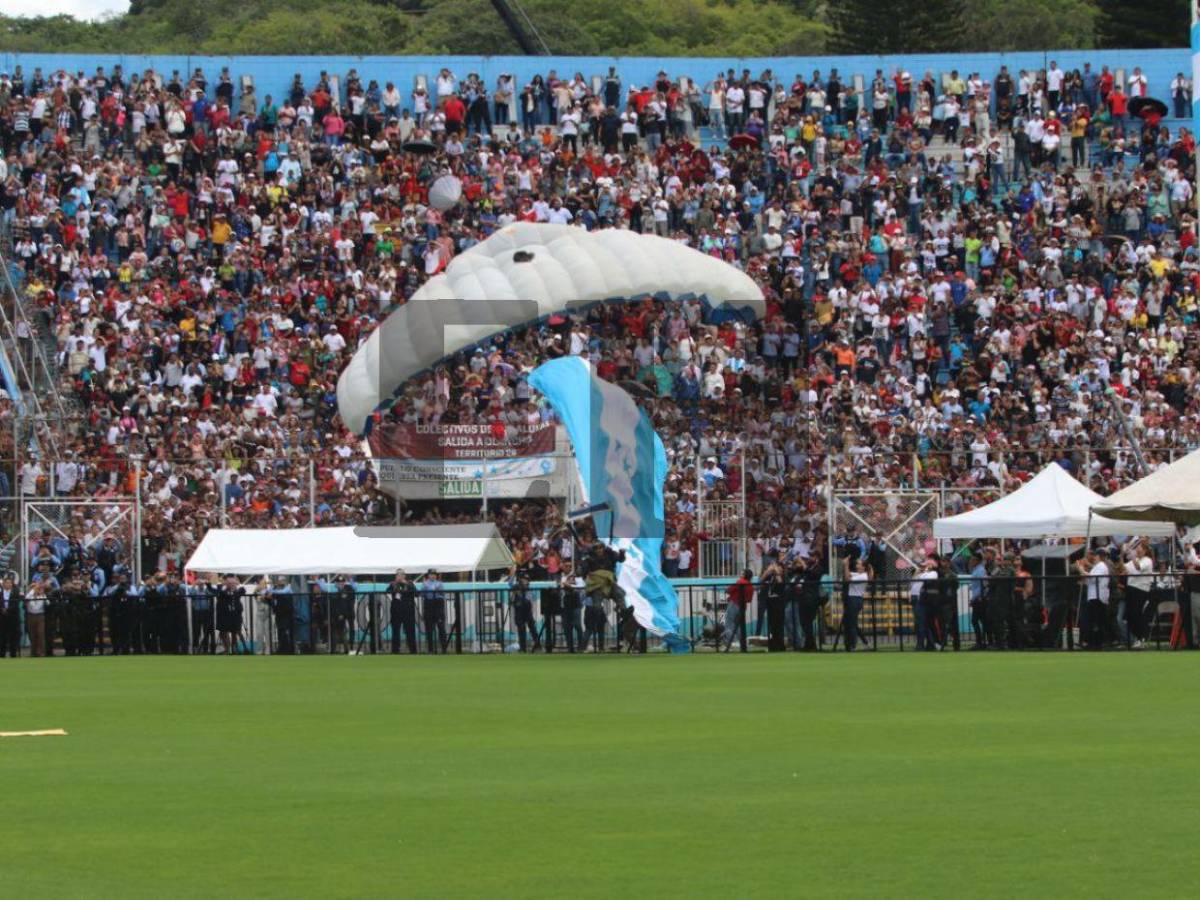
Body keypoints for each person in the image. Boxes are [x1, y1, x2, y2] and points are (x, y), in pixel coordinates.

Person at [1076, 549, 1110, 650]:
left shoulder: (1101, 566)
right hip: (1093, 596)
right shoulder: (1097, 567)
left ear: (1099, 556)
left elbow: (1095, 578)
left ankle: (1097, 643)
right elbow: (1091, 580)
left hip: (1097, 597)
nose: (1093, 557)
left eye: (1095, 555)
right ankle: (1091, 641)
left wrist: (1081, 569)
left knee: (1096, 621)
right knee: (1092, 620)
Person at [509, 571, 541, 653]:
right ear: (520, 579)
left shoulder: (529, 589)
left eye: (527, 580)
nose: (526, 581)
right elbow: (510, 583)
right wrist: (513, 574)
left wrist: (520, 594)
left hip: (527, 611)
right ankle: (523, 648)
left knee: (532, 628)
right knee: (521, 629)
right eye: (524, 579)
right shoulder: (516, 587)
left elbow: (528, 599)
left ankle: (538, 645)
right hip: (519, 611)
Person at [387, 570, 418, 654]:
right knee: (395, 631)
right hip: (396, 611)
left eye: (401, 575)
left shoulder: (410, 584)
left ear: (404, 576)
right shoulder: (393, 584)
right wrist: (394, 584)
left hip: (408, 611)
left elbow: (417, 594)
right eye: (398, 575)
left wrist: (406, 583)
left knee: (410, 631)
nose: (399, 576)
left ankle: (413, 650)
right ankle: (395, 650)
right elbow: (387, 592)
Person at [843, 558, 870, 651]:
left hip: (855, 599)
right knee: (851, 622)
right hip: (852, 598)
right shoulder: (858, 574)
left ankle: (853, 645)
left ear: (863, 567)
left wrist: (846, 565)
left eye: (859, 564)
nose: (856, 565)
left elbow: (847, 579)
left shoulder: (863, 576)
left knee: (852, 623)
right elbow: (849, 574)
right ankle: (864, 641)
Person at [722, 568, 753, 652]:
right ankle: (742, 642)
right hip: (743, 606)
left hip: (734, 603)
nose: (740, 575)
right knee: (739, 625)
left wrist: (729, 591)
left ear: (745, 575)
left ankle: (732, 641)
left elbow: (729, 590)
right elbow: (749, 599)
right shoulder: (750, 585)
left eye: (742, 574)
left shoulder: (740, 582)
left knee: (729, 623)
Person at [215, 575, 246, 655]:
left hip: (235, 615)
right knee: (224, 632)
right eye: (229, 583)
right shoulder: (223, 591)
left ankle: (234, 649)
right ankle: (228, 649)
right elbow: (220, 592)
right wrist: (221, 584)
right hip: (225, 615)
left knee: (235, 632)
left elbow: (243, 590)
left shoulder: (237, 591)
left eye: (232, 583)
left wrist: (238, 584)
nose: (231, 584)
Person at [265, 578, 296, 654]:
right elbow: (269, 598)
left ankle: (288, 649)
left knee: (285, 633)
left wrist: (273, 594)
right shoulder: (276, 592)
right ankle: (282, 649)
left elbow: (284, 598)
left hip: (287, 616)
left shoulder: (287, 590)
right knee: (280, 632)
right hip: (279, 615)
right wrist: (270, 597)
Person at [420, 570, 446, 654]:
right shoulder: (425, 583)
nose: (433, 576)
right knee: (429, 629)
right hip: (429, 605)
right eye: (431, 574)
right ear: (428, 575)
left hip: (438, 605)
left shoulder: (439, 583)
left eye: (434, 574)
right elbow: (422, 593)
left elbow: (442, 593)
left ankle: (443, 648)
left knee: (441, 627)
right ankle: (430, 649)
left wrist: (434, 591)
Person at [559, 569, 584, 653]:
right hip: (565, 608)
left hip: (576, 607)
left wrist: (568, 586)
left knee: (577, 626)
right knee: (567, 628)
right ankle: (570, 648)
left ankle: (581, 646)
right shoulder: (563, 583)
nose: (572, 579)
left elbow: (578, 591)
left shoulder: (578, 584)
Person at [0, 575, 22, 657]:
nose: (8, 584)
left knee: (13, 636)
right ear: (3, 584)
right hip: (2, 617)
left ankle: (13, 654)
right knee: (2, 636)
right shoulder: (0, 592)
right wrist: (2, 609)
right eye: (6, 583)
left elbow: (16, 604)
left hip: (12, 617)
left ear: (11, 584)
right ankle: (2, 654)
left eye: (9, 583)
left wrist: (8, 609)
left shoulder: (15, 592)